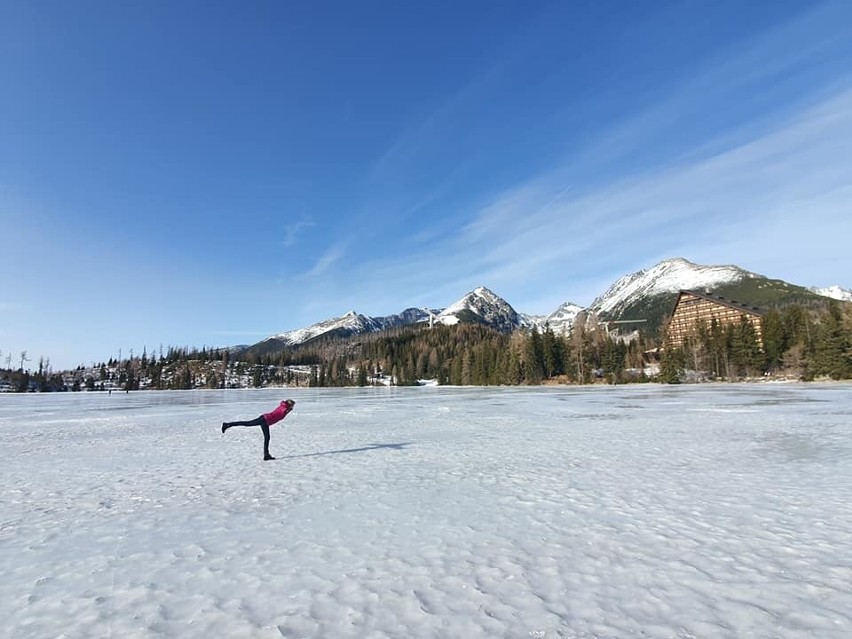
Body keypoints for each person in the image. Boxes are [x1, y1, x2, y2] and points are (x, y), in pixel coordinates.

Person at [222, 399, 295, 461]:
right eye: (292, 405)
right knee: (248, 424)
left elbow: (281, 413)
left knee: (265, 436)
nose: (293, 407)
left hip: (265, 419)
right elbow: (282, 412)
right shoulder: (284, 408)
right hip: (265, 420)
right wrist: (287, 410)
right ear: (289, 405)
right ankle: (227, 425)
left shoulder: (283, 406)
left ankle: (266, 455)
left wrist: (288, 410)